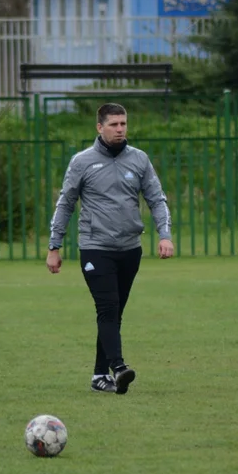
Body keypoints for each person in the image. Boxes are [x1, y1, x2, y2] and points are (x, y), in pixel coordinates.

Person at [46, 103, 174, 394]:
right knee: (107, 307)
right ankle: (118, 367)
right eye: (114, 124)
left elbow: (157, 199)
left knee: (114, 315)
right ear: (99, 127)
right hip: (95, 248)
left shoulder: (139, 160)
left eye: (123, 124)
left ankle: (98, 376)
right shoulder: (82, 162)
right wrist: (54, 246)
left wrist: (164, 235)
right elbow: (65, 203)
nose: (120, 129)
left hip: (130, 249)